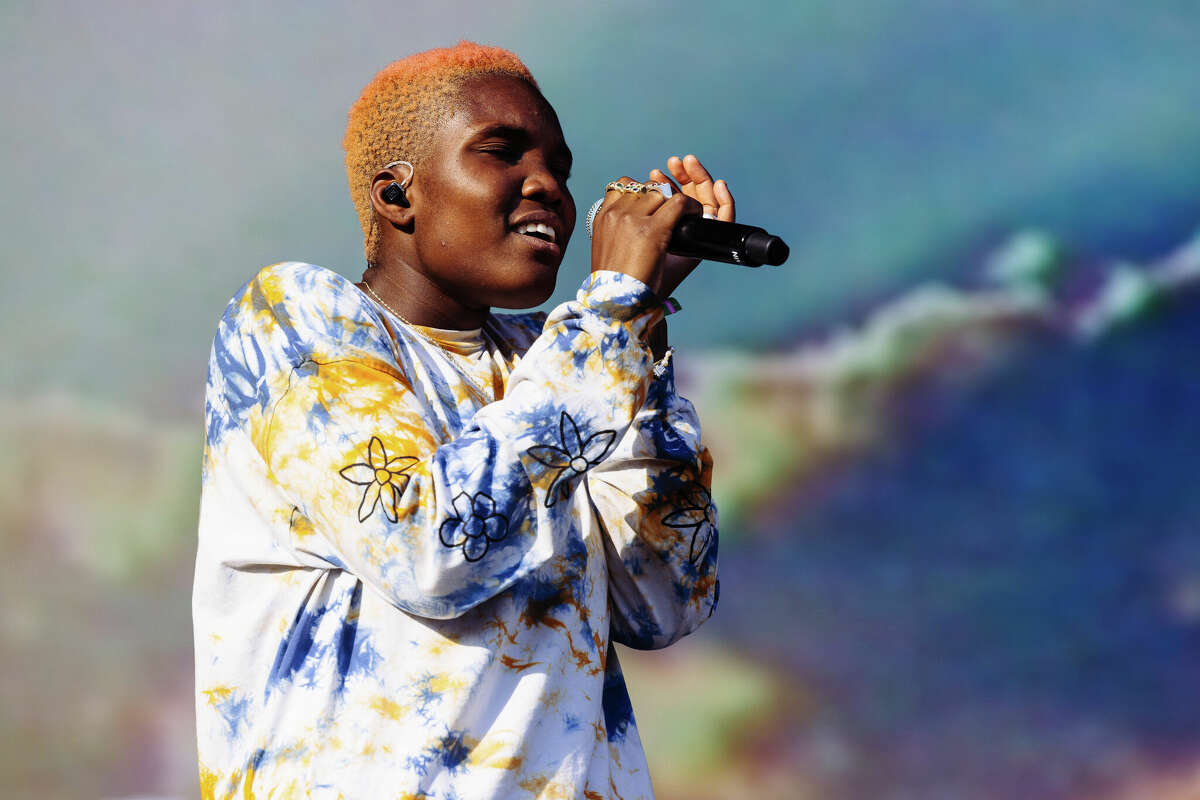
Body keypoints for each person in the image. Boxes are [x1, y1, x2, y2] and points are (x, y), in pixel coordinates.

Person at [194, 41, 728, 799]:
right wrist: (607, 313)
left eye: (561, 170)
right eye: (502, 153)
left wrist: (637, 328)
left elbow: (666, 599)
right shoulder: (295, 319)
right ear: (397, 196)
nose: (546, 184)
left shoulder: (561, 362)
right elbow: (427, 549)